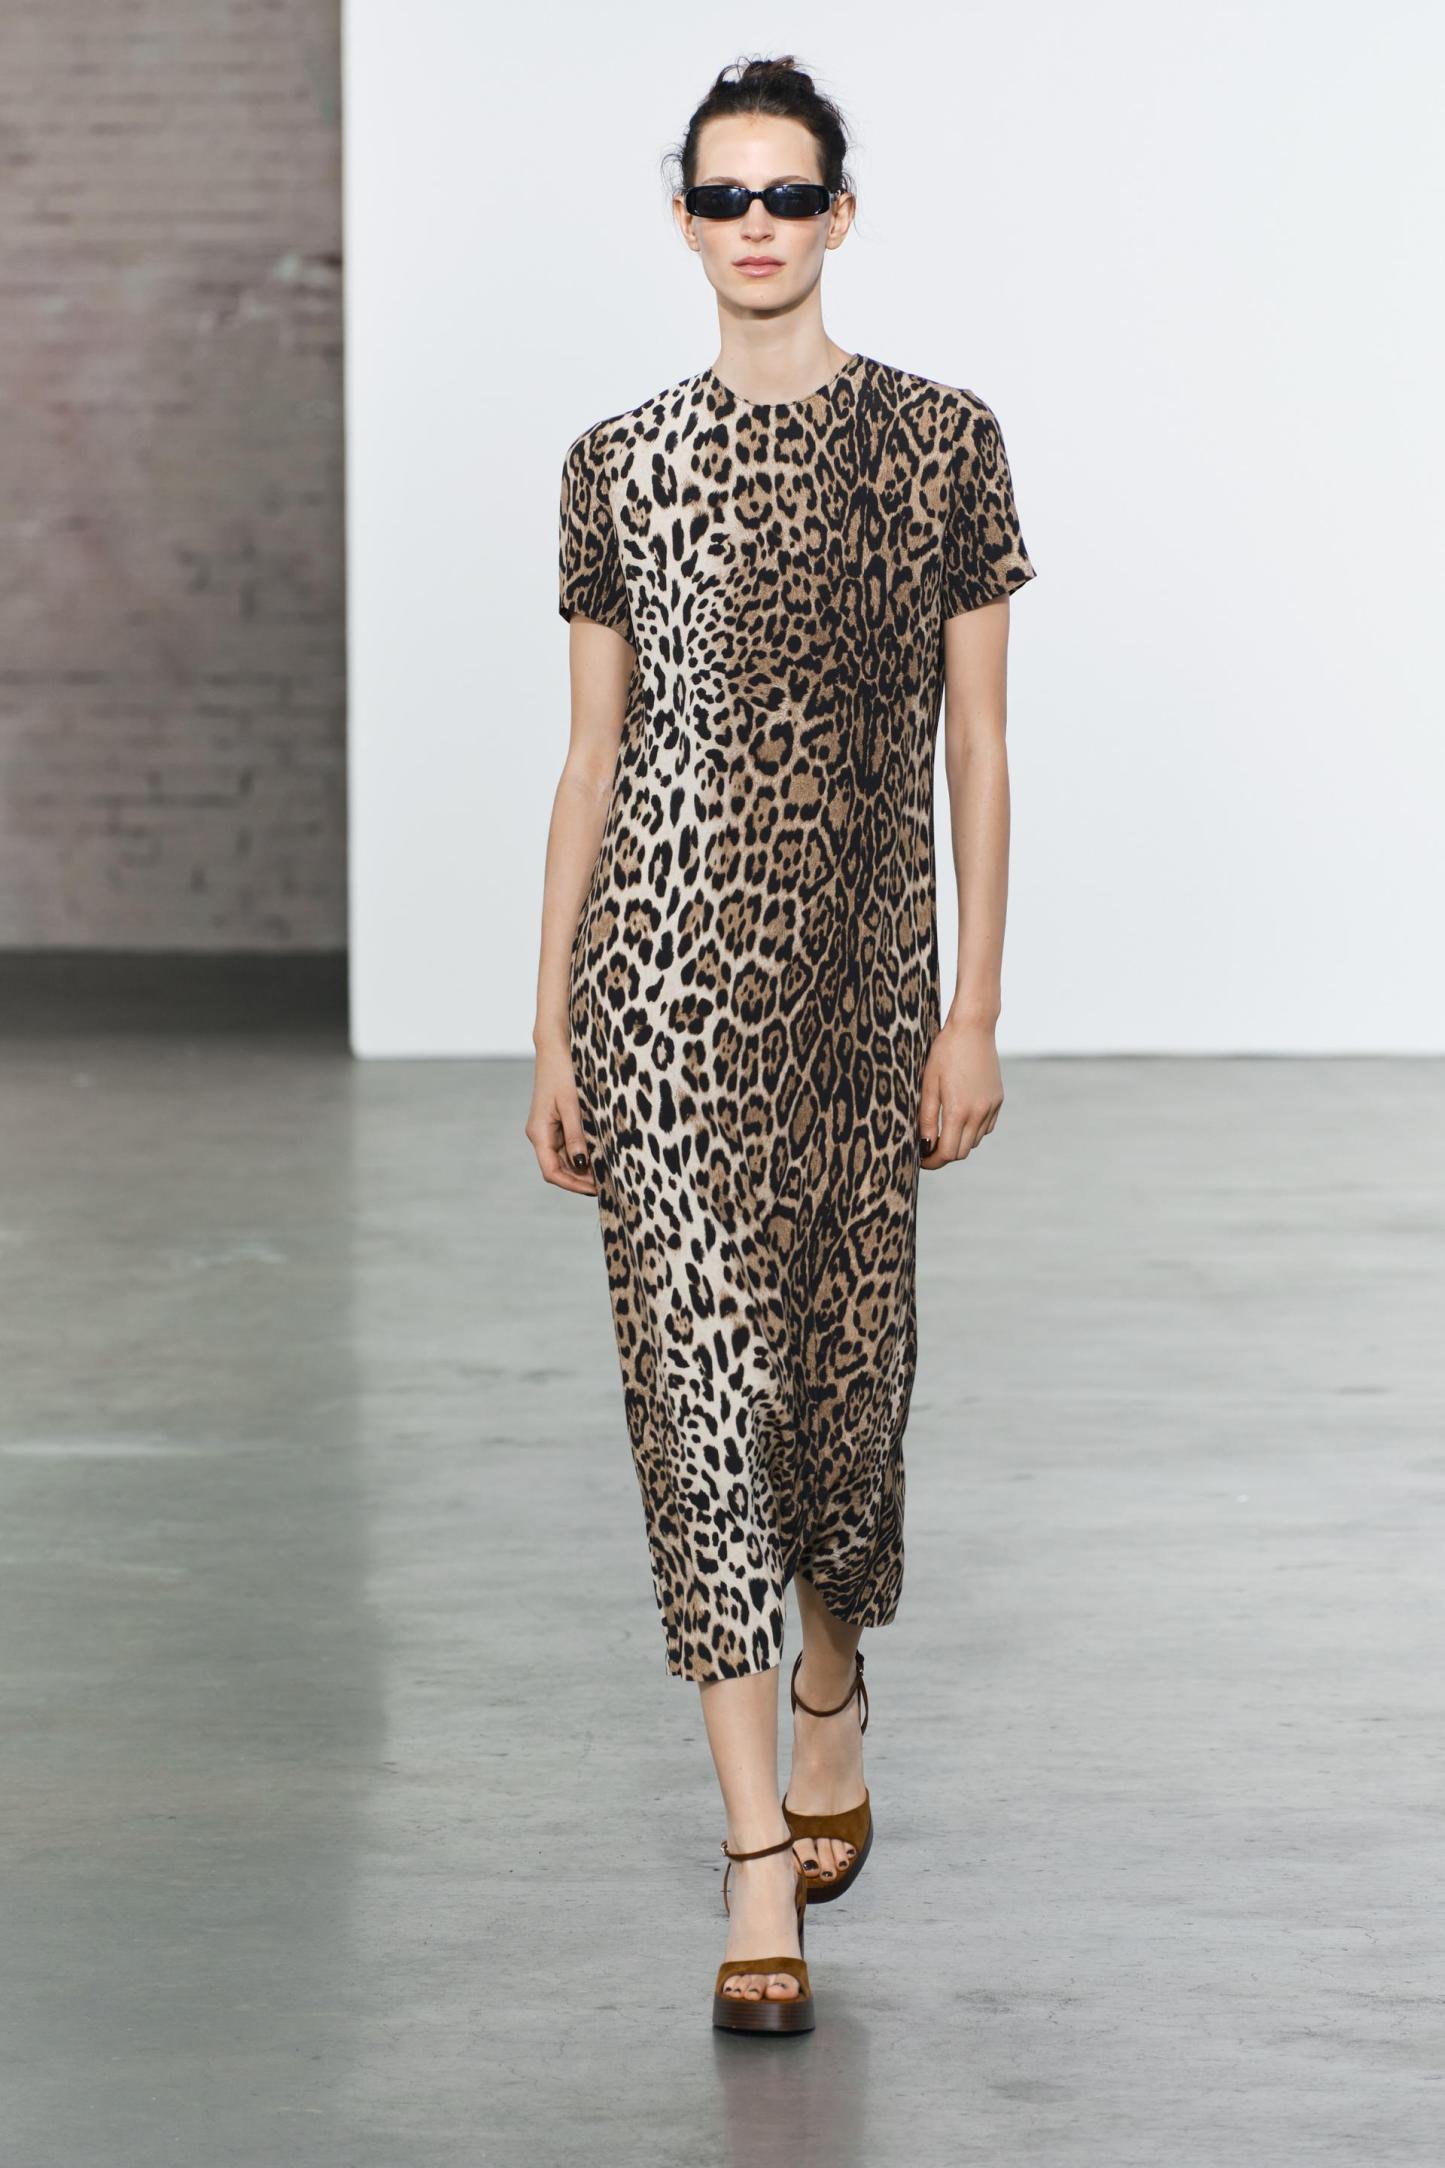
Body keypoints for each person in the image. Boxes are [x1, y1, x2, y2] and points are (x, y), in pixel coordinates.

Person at [527, 53, 1037, 2035]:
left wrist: (972, 1005)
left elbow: (977, 744)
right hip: (660, 1001)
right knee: (698, 1415)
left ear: (838, 212)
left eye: (788, 193)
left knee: (840, 1406)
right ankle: (756, 1859)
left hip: (858, 1005)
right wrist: (549, 1025)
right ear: (681, 219)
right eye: (724, 195)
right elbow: (591, 759)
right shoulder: (615, 463)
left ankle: (835, 1681)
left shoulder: (941, 443)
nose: (757, 225)